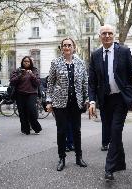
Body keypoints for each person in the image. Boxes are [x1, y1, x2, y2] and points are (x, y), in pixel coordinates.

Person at [88, 24, 132, 181]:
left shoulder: (123, 51)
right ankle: (121, 162)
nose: (107, 36)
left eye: (110, 33)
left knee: (116, 131)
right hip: (105, 99)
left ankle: (109, 168)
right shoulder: (95, 55)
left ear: (114, 35)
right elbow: (92, 81)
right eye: (104, 33)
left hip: (121, 98)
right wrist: (92, 101)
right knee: (112, 132)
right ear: (100, 36)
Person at [46, 37, 88, 171]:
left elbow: (84, 83)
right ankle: (61, 158)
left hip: (76, 102)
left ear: (74, 47)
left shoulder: (80, 63)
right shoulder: (55, 62)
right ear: (61, 48)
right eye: (64, 45)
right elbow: (50, 83)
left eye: (69, 45)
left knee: (77, 130)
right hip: (59, 103)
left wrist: (86, 99)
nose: (67, 47)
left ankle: (79, 157)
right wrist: (48, 101)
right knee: (61, 131)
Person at [10, 56, 42, 135]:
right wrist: (20, 75)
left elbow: (38, 83)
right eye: (25, 61)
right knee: (22, 112)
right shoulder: (18, 71)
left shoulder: (34, 71)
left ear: (30, 62)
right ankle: (25, 130)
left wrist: (32, 75)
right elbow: (12, 81)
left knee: (31, 110)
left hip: (32, 94)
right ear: (22, 62)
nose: (26, 63)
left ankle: (36, 127)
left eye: (28, 61)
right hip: (20, 94)